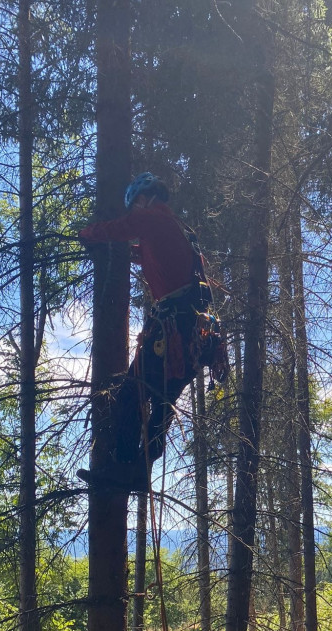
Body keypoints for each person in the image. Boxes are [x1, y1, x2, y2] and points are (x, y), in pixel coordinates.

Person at [77, 172, 225, 492]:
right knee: (162, 401)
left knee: (132, 392)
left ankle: (121, 467)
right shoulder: (176, 229)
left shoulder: (153, 217)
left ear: (143, 200)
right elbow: (145, 253)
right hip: (194, 335)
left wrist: (88, 234)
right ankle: (141, 472)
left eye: (135, 207)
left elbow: (122, 228)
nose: (134, 213)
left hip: (173, 329)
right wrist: (120, 253)